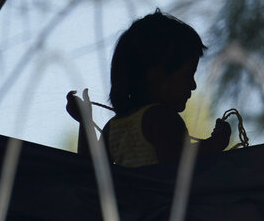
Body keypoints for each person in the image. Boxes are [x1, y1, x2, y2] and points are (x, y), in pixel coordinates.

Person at [66, 10, 230, 167]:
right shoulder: (160, 118)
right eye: (188, 75)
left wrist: (85, 121)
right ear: (157, 77)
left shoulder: (114, 127)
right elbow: (177, 163)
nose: (193, 85)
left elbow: (89, 170)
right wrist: (214, 143)